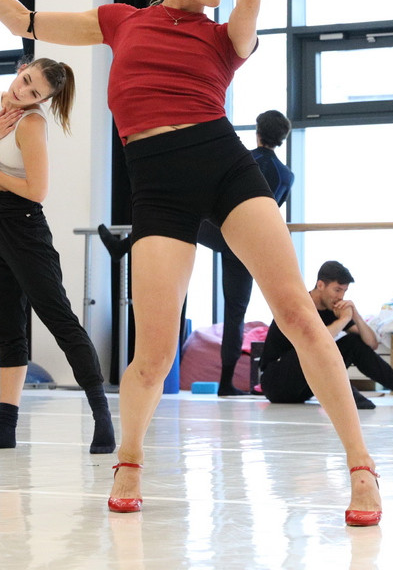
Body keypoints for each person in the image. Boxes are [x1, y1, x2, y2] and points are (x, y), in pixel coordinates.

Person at [0, 0, 382, 526]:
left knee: (296, 311)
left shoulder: (226, 38)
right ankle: (128, 461)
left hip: (224, 164)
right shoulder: (120, 22)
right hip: (156, 183)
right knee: (153, 350)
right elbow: (20, 19)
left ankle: (361, 469)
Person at [0, 58, 116, 453]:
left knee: (59, 318)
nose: (22, 92)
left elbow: (37, 190)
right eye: (25, 80)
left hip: (24, 224)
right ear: (21, 68)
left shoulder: (31, 124)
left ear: (42, 100)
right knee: (6, 327)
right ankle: (4, 427)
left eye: (34, 93)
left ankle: (102, 418)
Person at [98, 108, 294, 397]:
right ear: (282, 138)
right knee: (235, 313)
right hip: (246, 244)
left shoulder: (244, 159)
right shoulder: (286, 175)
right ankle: (226, 383)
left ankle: (122, 246)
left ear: (258, 132)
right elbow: (271, 212)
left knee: (175, 216)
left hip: (220, 231)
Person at [260, 261, 393, 409]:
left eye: (344, 291)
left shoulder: (333, 309)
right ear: (320, 285)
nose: (341, 296)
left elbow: (371, 344)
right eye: (337, 290)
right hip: (276, 382)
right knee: (319, 348)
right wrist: (343, 320)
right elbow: (315, 342)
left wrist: (356, 316)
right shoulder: (299, 306)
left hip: (305, 387)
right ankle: (347, 395)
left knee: (353, 342)